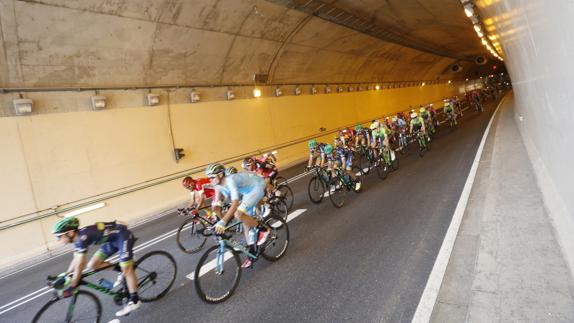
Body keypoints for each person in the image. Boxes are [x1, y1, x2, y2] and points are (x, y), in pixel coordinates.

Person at [51, 217, 140, 317]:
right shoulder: (78, 239)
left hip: (124, 237)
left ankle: (135, 300)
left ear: (70, 233)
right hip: (113, 240)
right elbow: (76, 259)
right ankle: (122, 269)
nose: (57, 240)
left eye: (59, 236)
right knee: (92, 265)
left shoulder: (82, 238)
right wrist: (65, 275)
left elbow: (80, 264)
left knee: (126, 270)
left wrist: (73, 285)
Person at [207, 163, 269, 268]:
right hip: (246, 193)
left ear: (221, 174)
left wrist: (223, 221)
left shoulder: (230, 180)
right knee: (246, 223)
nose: (210, 179)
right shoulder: (217, 185)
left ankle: (264, 229)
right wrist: (216, 219)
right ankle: (252, 252)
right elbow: (217, 203)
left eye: (212, 177)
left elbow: (235, 202)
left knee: (238, 214)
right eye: (209, 177)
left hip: (256, 187)